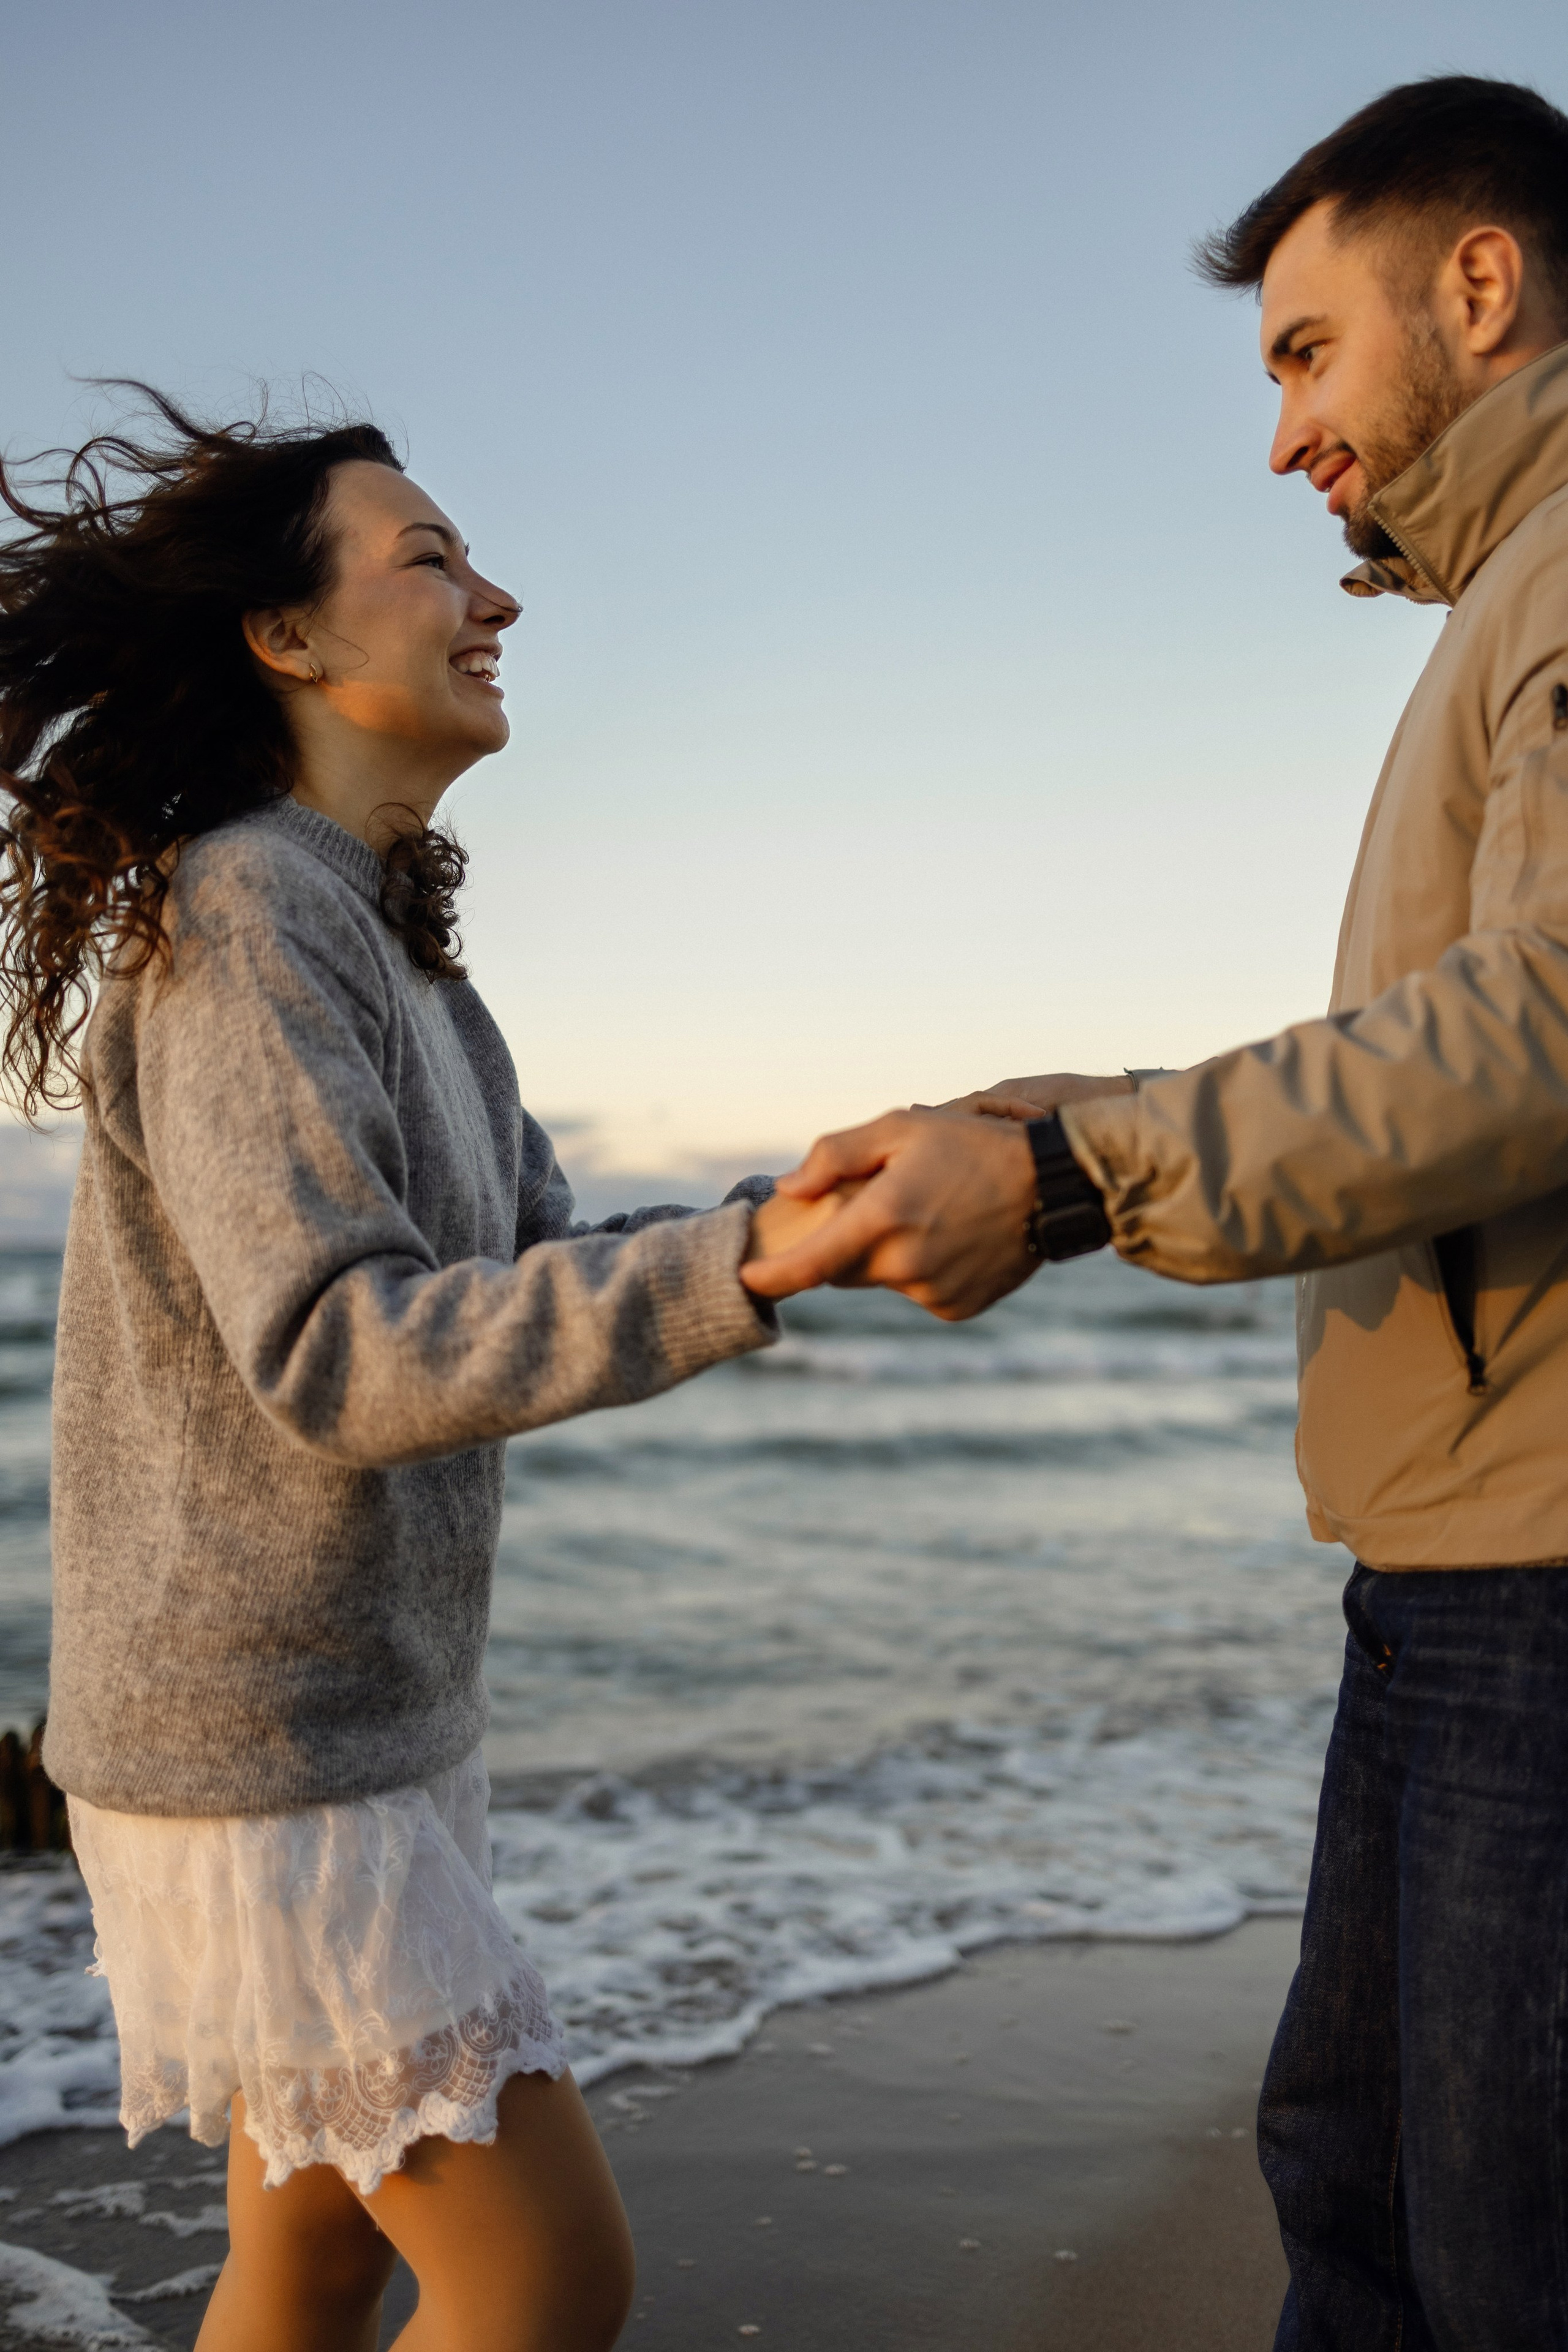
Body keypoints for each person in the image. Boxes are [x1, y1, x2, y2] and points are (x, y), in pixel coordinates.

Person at [745, 74, 1568, 2349]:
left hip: (1545, 1584)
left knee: (1501, 2264)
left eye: (1308, 352)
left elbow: (1545, 1028)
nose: (1284, 431)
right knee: (1362, 2202)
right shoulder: (1507, 604)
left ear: (1479, 288)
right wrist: (1060, 1111)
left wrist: (1071, 1174)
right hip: (1457, 1567)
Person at [0, 393, 828, 2352]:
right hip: (261, 1750)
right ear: (286, 642)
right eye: (434, 559)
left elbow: (541, 1264)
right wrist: (763, 1257)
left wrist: (810, 1212)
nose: (499, 596)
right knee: (544, 2280)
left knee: (318, 2254)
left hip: (360, 1726)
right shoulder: (247, 907)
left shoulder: (398, 944)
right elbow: (341, 1351)